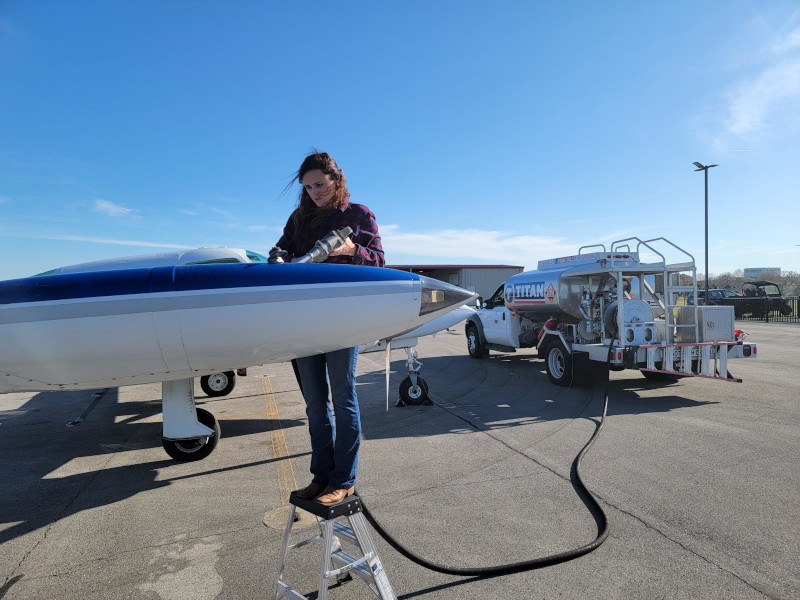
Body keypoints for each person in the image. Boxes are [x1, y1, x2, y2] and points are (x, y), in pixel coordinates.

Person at [271, 151, 384, 507]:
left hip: (342, 320)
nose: (314, 192)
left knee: (343, 399)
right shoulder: (299, 218)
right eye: (307, 187)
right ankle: (321, 476)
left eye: (319, 184)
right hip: (304, 321)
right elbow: (280, 250)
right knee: (315, 406)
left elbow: (380, 262)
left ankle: (344, 480)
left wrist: (353, 250)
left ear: (337, 179)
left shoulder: (359, 215)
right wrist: (275, 257)